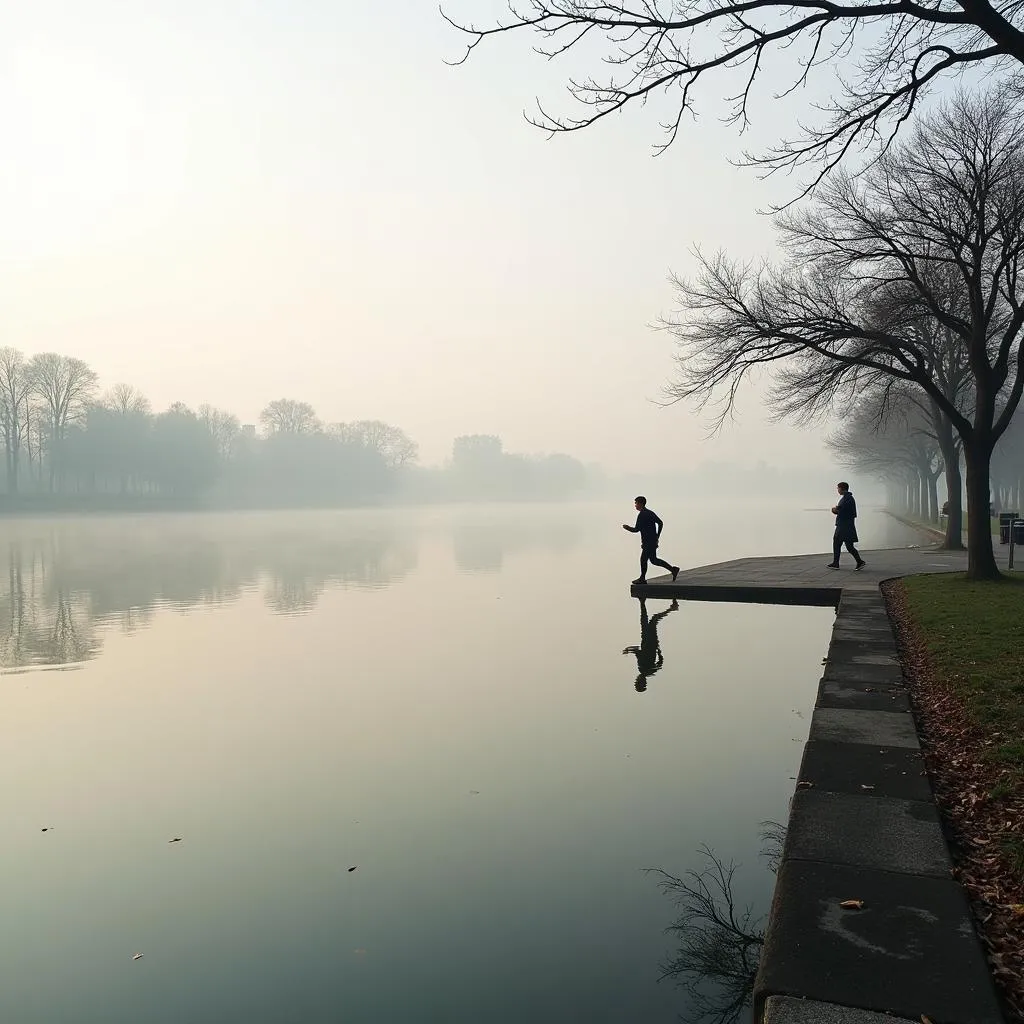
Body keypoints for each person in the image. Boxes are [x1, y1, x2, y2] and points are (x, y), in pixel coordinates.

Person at [622, 597, 679, 692]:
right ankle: (672, 608)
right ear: (641, 681)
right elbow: (638, 651)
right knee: (652, 620)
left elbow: (660, 663)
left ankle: (642, 601)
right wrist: (629, 649)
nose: (636, 680)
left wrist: (659, 650)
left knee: (646, 620)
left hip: (649, 641)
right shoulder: (644, 669)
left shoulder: (649, 671)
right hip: (649, 641)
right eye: (637, 682)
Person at [622, 496, 680, 585]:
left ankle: (642, 578)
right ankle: (673, 569)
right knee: (653, 560)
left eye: (636, 503)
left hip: (648, 542)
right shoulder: (649, 513)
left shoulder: (642, 514)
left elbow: (636, 529)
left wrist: (627, 528)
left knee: (643, 559)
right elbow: (660, 523)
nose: (635, 505)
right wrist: (657, 536)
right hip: (652, 541)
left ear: (641, 504)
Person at [827, 481, 866, 570]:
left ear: (842, 488)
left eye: (838, 488)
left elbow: (843, 511)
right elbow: (844, 510)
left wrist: (835, 510)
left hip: (844, 525)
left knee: (837, 542)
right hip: (847, 525)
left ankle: (836, 563)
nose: (837, 490)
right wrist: (837, 509)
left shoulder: (847, 499)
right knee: (849, 546)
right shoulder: (847, 498)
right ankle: (859, 562)